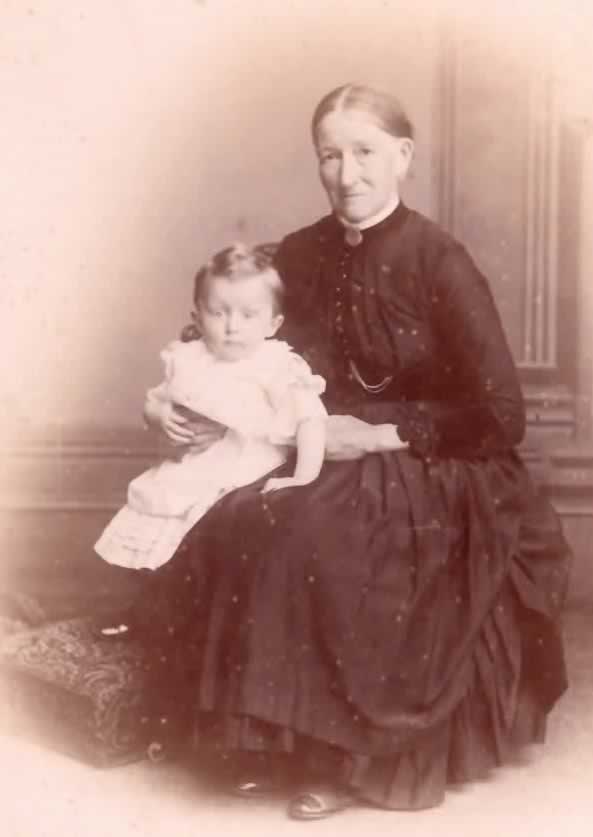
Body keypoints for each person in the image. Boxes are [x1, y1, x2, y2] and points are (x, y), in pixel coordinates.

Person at [123, 84, 571, 819]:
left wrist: (380, 433)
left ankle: (341, 755)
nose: (347, 174)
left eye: (364, 153)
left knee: (320, 532)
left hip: (436, 464)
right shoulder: (298, 253)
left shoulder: (440, 261)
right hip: (310, 443)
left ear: (402, 158)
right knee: (238, 511)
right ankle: (263, 738)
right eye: (329, 156)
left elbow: (500, 415)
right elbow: (209, 335)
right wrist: (158, 403)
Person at [94, 244, 327, 578]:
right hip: (192, 467)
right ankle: (163, 598)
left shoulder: (274, 364)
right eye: (218, 313)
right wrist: (159, 414)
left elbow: (310, 418)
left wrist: (304, 476)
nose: (232, 326)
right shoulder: (189, 358)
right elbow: (155, 399)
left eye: (248, 315)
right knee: (164, 517)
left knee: (223, 536)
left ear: (273, 324)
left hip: (248, 470)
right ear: (197, 318)